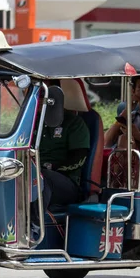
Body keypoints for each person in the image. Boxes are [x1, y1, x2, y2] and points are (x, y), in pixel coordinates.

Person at [31, 83, 90, 235]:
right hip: (32, 174)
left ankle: (34, 230)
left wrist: (50, 167)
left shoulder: (74, 123)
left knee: (41, 177)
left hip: (66, 182)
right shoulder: (31, 122)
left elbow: (79, 158)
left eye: (43, 96)